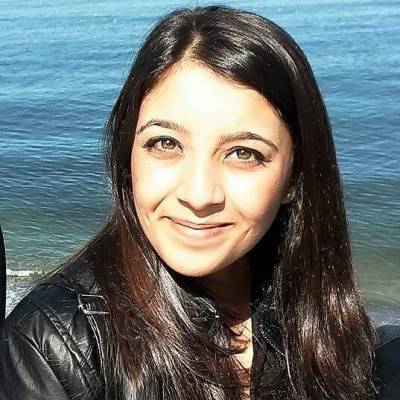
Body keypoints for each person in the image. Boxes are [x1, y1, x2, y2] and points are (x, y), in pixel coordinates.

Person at [0, 5, 399, 400]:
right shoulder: (57, 346)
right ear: (127, 156)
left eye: (243, 153)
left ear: (295, 177)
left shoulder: (324, 322)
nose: (198, 194)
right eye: (165, 143)